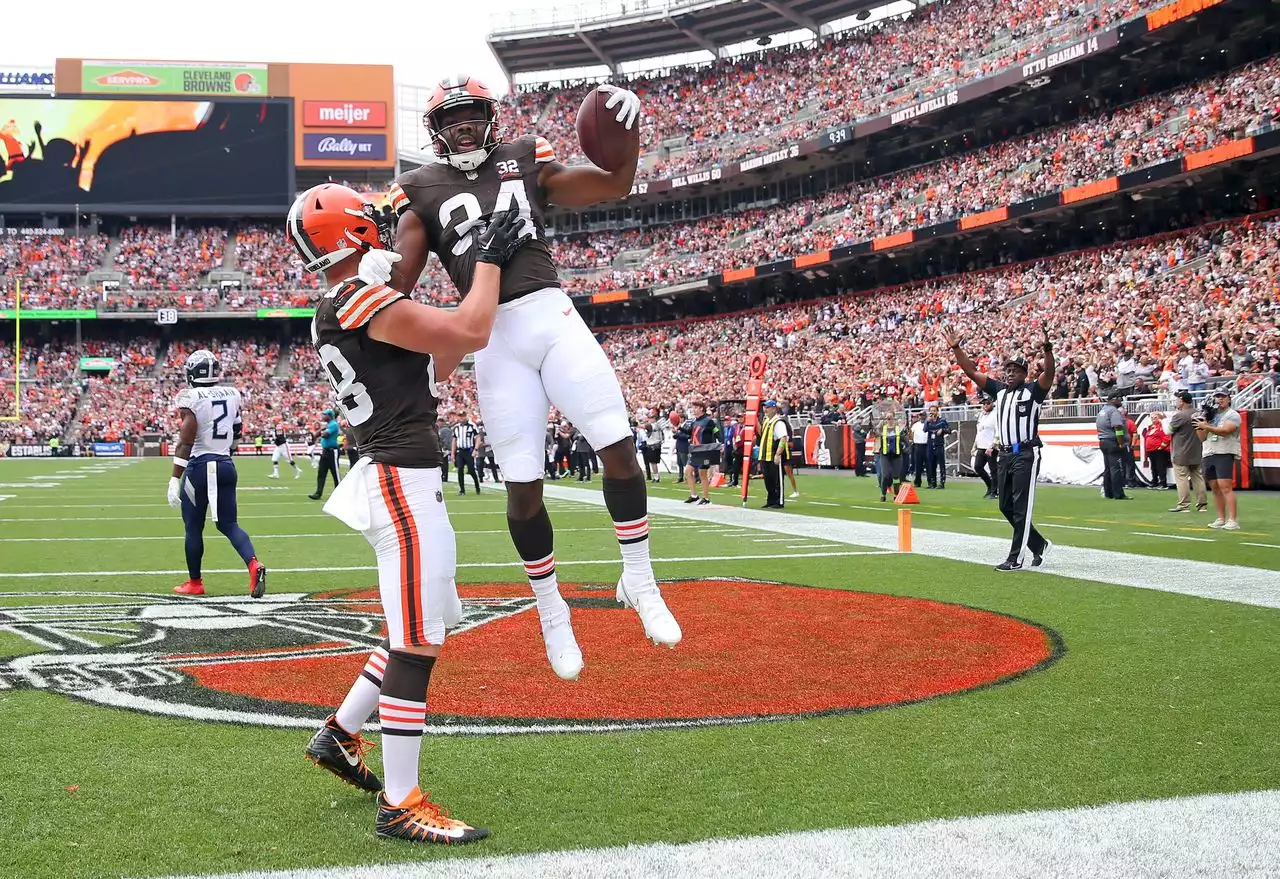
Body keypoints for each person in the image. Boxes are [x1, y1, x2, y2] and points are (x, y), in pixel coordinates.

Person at [363, 75, 678, 681]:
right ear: (434, 130)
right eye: (449, 117)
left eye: (470, 113)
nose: (460, 124)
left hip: (551, 313)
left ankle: (640, 580)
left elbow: (614, 182)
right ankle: (552, 613)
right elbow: (399, 282)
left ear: (489, 117)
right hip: (492, 337)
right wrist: (372, 269)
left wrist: (629, 134)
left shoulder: (522, 157)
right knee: (523, 486)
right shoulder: (418, 190)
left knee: (617, 444)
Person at [288, 183, 529, 843]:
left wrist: (476, 282)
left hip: (402, 476)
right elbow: (469, 329)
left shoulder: (350, 300)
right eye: (370, 222)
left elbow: (445, 354)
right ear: (347, 234)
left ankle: (340, 731)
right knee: (417, 642)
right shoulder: (355, 296)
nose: (382, 230)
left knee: (422, 622)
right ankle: (400, 800)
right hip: (400, 479)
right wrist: (487, 261)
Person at [945, 325, 1054, 572]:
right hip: (1004, 453)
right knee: (1005, 505)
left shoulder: (1033, 391)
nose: (1009, 374)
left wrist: (1047, 349)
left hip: (1026, 452)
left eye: (1014, 370)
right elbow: (971, 371)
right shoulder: (1000, 391)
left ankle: (1016, 558)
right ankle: (1039, 545)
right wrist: (956, 348)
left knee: (1021, 506)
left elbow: (1049, 372)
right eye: (1007, 370)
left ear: (1025, 374)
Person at [166, 349, 267, 599]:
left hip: (201, 466)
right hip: (225, 464)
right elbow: (238, 429)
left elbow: (186, 442)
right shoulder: (232, 393)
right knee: (229, 524)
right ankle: (254, 564)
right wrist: (224, 451)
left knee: (193, 527)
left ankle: (195, 582)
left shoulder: (190, 396)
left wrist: (174, 478)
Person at [1195, 389, 1242, 530]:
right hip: (1209, 452)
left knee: (1225, 486)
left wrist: (1206, 426)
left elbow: (1226, 431)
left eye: (1222, 396)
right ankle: (1221, 518)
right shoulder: (1211, 415)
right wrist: (1202, 420)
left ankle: (1233, 520)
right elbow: (1201, 437)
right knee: (1215, 488)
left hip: (1224, 451)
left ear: (1228, 398)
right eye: (1217, 396)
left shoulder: (1232, 414)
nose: (1219, 399)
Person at [1167, 390, 1208, 513]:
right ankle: (1202, 504)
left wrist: (1165, 420)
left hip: (1181, 452)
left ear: (1182, 401)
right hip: (1196, 450)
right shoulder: (1198, 413)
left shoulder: (1179, 415)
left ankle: (1184, 505)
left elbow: (1168, 430)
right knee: (1198, 477)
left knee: (1182, 478)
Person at [1095, 392, 1130, 501]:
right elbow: (1118, 427)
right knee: (1116, 468)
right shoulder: (1114, 411)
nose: (1121, 401)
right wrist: (1120, 443)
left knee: (1108, 468)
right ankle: (1118, 493)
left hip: (1103, 441)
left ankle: (1108, 492)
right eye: (1119, 399)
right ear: (1114, 399)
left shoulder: (1102, 411)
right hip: (1112, 441)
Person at [684, 401, 721, 505]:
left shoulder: (708, 421)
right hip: (695, 450)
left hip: (704, 450)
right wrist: (679, 427)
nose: (693, 410)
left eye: (695, 407)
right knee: (688, 471)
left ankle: (706, 497)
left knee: (702, 473)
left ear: (701, 408)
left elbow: (716, 431)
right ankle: (694, 495)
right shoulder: (694, 421)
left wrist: (720, 443)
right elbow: (689, 433)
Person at [758, 400, 789, 508]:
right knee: (768, 479)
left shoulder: (778, 422)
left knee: (777, 479)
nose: (765, 409)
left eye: (767, 407)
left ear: (774, 409)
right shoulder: (766, 420)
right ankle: (771, 499)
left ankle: (779, 501)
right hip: (765, 454)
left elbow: (783, 438)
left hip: (773, 454)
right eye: (764, 407)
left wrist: (778, 454)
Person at [309, 410, 341, 501]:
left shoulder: (333, 424)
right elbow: (316, 435)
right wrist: (322, 430)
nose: (322, 416)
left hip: (332, 451)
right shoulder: (328, 425)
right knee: (321, 473)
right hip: (325, 451)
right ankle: (318, 493)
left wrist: (322, 430)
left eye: (324, 414)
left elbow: (325, 435)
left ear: (329, 416)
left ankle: (339, 493)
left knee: (335, 473)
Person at [876, 410, 907, 502]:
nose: (889, 419)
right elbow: (874, 433)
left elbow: (906, 440)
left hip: (896, 454)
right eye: (887, 417)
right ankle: (883, 494)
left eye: (890, 417)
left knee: (896, 476)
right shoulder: (882, 428)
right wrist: (878, 425)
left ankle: (896, 494)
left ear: (894, 418)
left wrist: (905, 449)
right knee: (885, 475)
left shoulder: (898, 428)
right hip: (885, 454)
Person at [973, 396, 998, 499]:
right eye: (984, 404)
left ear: (992, 403)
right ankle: (990, 486)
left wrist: (993, 445)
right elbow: (979, 431)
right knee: (978, 467)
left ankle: (995, 491)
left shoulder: (995, 415)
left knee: (993, 469)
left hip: (990, 446)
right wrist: (974, 445)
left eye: (987, 403)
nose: (985, 405)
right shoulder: (982, 415)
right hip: (981, 445)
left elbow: (998, 431)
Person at [452, 416, 481, 495]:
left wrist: (475, 449)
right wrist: (452, 453)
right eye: (460, 417)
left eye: (463, 416)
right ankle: (462, 490)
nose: (462, 418)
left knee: (471, 470)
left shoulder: (472, 426)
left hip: (469, 451)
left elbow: (478, 438)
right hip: (460, 451)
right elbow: (454, 441)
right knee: (460, 469)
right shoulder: (456, 427)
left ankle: (477, 486)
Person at [1142, 416, 1172, 490]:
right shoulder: (1151, 427)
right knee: (1153, 467)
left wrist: (1161, 447)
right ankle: (1154, 482)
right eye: (1152, 418)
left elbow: (1167, 437)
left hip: (1159, 450)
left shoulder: (1162, 426)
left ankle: (1163, 483)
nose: (1153, 419)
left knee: (1160, 466)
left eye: (1155, 417)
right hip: (1151, 450)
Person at [924, 404, 949, 489]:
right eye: (931, 411)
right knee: (931, 464)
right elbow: (924, 430)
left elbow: (949, 430)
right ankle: (932, 482)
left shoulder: (942, 420)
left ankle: (942, 482)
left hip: (939, 444)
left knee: (941, 464)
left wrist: (942, 430)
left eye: (934, 411)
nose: (933, 413)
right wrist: (927, 421)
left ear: (937, 411)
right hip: (930, 444)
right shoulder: (928, 421)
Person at [910, 410, 928, 488]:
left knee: (928, 465)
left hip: (927, 445)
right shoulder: (915, 425)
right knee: (918, 465)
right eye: (920, 415)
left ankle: (930, 482)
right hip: (917, 445)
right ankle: (917, 482)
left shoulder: (928, 423)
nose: (922, 417)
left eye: (923, 415)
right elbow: (911, 434)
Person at [644, 417, 665, 483]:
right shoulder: (658, 425)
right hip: (656, 444)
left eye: (651, 418)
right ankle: (656, 476)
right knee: (653, 462)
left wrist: (637, 423)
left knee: (653, 462)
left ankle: (656, 477)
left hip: (654, 445)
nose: (649, 419)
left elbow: (645, 426)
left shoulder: (653, 425)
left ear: (654, 419)